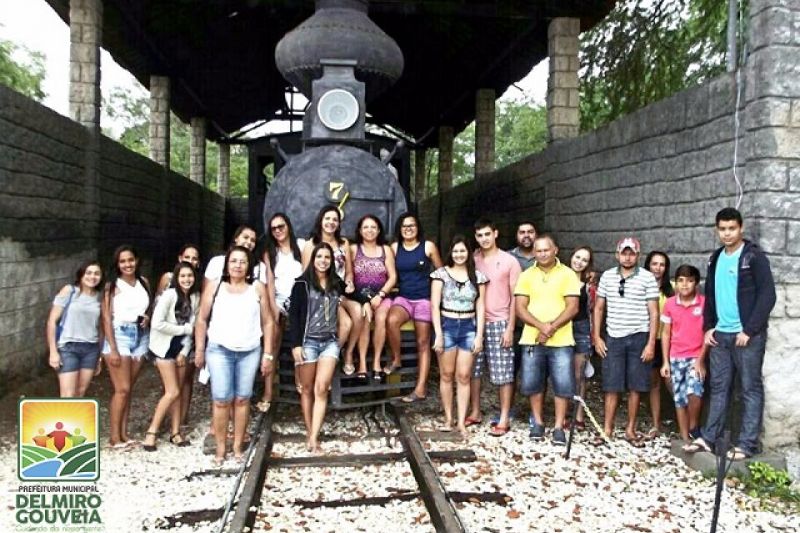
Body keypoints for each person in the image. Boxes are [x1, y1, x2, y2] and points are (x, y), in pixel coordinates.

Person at [687, 208, 776, 460]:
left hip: (746, 336)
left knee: (749, 388)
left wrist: (750, 329)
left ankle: (747, 444)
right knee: (719, 387)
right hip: (720, 336)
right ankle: (708, 438)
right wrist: (708, 327)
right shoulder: (715, 258)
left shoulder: (753, 257)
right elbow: (711, 296)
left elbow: (768, 295)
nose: (727, 234)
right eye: (722, 229)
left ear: (741, 228)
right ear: (717, 230)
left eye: (732, 229)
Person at [195, 246, 275, 466]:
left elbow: (268, 322)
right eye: (233, 261)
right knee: (221, 399)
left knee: (242, 399)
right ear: (226, 265)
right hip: (219, 349)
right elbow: (201, 319)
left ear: (249, 266)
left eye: (242, 261)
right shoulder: (215, 286)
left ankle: (238, 446)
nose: (238, 265)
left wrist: (268, 354)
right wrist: (200, 349)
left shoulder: (257, 288)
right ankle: (220, 449)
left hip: (249, 351)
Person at [289, 243, 369, 452]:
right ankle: (310, 431)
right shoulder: (301, 284)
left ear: (331, 261)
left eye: (327, 257)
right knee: (306, 389)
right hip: (308, 342)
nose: (323, 261)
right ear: (313, 259)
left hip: (329, 342)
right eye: (319, 257)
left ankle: (314, 437)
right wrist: (296, 344)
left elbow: (354, 294)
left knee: (321, 388)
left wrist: (368, 302)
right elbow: (294, 316)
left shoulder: (335, 283)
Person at [593, 237, 659, 448]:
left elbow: (654, 312)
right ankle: (607, 429)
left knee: (635, 386)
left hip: (639, 335)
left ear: (638, 255)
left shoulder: (647, 278)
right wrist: (596, 336)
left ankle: (630, 428)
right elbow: (599, 308)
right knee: (611, 385)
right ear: (617, 254)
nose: (628, 256)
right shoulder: (607, 277)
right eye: (624, 252)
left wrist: (651, 344)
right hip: (614, 336)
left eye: (632, 253)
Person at [514, 234, 580, 446]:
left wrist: (550, 327)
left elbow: (573, 307)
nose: (542, 253)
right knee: (533, 383)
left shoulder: (568, 274)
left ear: (555, 250)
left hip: (561, 340)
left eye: (546, 250)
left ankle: (559, 426)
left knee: (562, 384)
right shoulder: (526, 275)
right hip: (532, 338)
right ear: (534, 252)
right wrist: (541, 327)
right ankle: (538, 422)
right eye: (538, 250)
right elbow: (520, 308)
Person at [468, 219, 521, 437]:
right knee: (473, 370)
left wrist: (510, 328)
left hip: (500, 321)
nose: (484, 239)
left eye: (487, 234)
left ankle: (504, 416)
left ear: (496, 233)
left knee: (504, 373)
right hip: (474, 321)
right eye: (479, 235)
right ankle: (475, 411)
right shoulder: (473, 258)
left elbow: (516, 297)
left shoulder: (509, 261)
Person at [431, 235, 487, 438]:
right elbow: (434, 306)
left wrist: (479, 335)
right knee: (446, 374)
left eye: (463, 251)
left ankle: (462, 422)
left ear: (469, 253)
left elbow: (481, 306)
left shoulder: (478, 277)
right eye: (455, 251)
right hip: (447, 325)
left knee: (463, 376)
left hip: (468, 327)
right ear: (450, 253)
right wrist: (437, 334)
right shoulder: (440, 275)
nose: (459, 254)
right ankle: (448, 418)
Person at [142, 262, 200, 451]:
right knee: (172, 391)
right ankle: (152, 432)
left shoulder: (195, 297)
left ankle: (175, 432)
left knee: (179, 390)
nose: (186, 280)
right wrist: (183, 329)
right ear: (176, 277)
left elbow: (193, 328)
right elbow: (157, 323)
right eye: (182, 276)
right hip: (164, 348)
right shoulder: (169, 295)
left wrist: (184, 351)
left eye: (190, 276)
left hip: (181, 348)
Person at [387, 213, 444, 403]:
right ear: (399, 229)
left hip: (424, 300)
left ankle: (420, 388)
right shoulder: (394, 248)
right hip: (403, 297)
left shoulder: (428, 246)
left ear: (418, 227)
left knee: (423, 343)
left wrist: (438, 298)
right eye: (404, 226)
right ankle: (397, 359)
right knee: (391, 320)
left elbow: (441, 272)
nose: (408, 228)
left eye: (411, 225)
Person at [101, 245, 152, 448]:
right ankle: (114, 437)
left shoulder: (144, 282)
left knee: (129, 388)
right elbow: (106, 317)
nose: (127, 264)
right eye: (122, 261)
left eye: (130, 260)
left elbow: (148, 305)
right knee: (121, 389)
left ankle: (124, 433)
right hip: (119, 334)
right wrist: (112, 348)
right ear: (117, 264)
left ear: (136, 261)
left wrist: (147, 316)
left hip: (140, 335)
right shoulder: (112, 286)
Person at [301, 207, 361, 377]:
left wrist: (349, 282)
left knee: (358, 311)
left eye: (335, 219)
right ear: (321, 220)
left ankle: (347, 353)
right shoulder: (310, 244)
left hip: (342, 292)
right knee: (346, 323)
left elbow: (349, 271)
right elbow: (306, 277)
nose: (331, 222)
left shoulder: (344, 243)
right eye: (327, 218)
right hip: (322, 297)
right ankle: (326, 358)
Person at [258, 213, 304, 412]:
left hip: (299, 299)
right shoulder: (270, 252)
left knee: (300, 339)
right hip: (277, 299)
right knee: (273, 344)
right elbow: (269, 281)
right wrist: (272, 306)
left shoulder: (301, 246)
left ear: (288, 226)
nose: (278, 230)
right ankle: (268, 392)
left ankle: (300, 380)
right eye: (274, 228)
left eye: (281, 226)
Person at [660, 264, 706, 447]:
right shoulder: (670, 304)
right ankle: (684, 435)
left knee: (694, 391)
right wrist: (665, 362)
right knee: (679, 397)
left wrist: (701, 360)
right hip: (675, 356)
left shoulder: (704, 303)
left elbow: (708, 333)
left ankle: (693, 425)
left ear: (696, 283)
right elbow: (665, 333)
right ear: (675, 283)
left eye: (689, 281)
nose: (685, 285)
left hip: (696, 356)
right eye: (680, 280)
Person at [46, 260, 104, 397]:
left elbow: (101, 328)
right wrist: (53, 352)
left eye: (97, 273)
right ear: (81, 275)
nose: (92, 277)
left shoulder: (100, 297)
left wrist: (100, 357)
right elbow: (51, 321)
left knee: (80, 393)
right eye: (88, 273)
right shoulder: (69, 291)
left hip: (91, 349)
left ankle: (74, 419)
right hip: (68, 348)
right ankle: (61, 419)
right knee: (67, 395)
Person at [349, 214, 397, 379]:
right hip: (359, 296)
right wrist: (365, 301)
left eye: (373, 227)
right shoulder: (354, 249)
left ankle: (376, 362)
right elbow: (349, 277)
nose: (369, 230)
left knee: (382, 316)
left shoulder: (386, 250)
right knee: (365, 317)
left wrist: (381, 294)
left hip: (381, 295)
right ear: (360, 230)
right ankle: (362, 363)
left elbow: (392, 277)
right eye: (366, 227)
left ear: (378, 230)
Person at [644, 250, 675, 439]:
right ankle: (656, 424)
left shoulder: (672, 289)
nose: (658, 268)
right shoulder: (641, 286)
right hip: (648, 339)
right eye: (654, 264)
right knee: (653, 383)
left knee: (670, 380)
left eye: (662, 264)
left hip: (668, 340)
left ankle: (685, 422)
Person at [568, 246, 596, 431]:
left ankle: (578, 415)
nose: (579, 262)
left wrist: (593, 335)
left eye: (584, 260)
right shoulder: (560, 278)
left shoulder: (589, 286)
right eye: (577, 257)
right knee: (561, 371)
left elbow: (592, 311)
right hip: (561, 327)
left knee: (579, 375)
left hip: (581, 328)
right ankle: (562, 413)